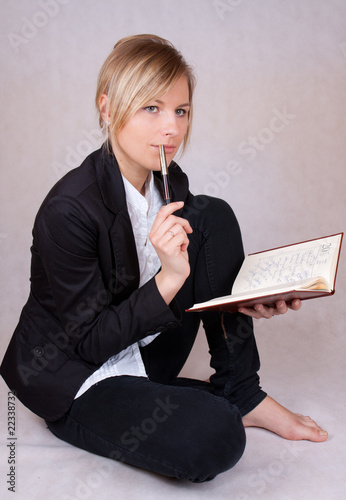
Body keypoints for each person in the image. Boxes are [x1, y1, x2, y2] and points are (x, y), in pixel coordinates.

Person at [0, 34, 328, 483]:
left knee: (211, 215)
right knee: (214, 436)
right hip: (80, 377)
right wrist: (171, 278)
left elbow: (204, 274)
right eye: (151, 108)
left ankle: (243, 392)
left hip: (145, 351)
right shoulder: (68, 209)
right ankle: (219, 409)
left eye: (181, 110)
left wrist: (246, 297)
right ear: (108, 107)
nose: (171, 128)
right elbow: (90, 343)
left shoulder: (170, 184)